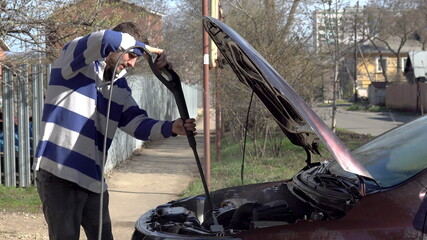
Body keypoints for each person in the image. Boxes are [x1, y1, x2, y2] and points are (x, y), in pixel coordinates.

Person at [33, 22, 196, 240]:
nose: (132, 64)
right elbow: (105, 39)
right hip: (60, 175)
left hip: (94, 180)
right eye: (131, 56)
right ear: (119, 47)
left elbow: (137, 124)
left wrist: (172, 127)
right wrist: (149, 51)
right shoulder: (73, 61)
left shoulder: (119, 87)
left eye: (137, 58)